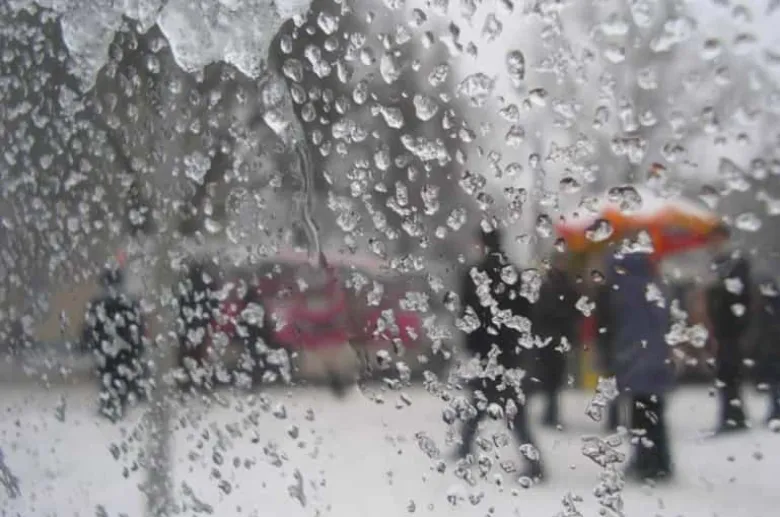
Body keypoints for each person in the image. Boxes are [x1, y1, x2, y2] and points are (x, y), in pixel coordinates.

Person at [457, 225, 543, 481]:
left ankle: (534, 464)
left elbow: (467, 314)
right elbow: (526, 313)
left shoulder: (474, 274)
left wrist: (471, 345)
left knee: (486, 401)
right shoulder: (513, 273)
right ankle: (531, 461)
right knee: (504, 405)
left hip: (485, 350)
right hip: (508, 351)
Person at [602, 251, 673, 481]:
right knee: (654, 415)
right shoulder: (654, 286)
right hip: (656, 359)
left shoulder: (627, 290)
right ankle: (659, 461)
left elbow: (628, 328)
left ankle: (647, 461)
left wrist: (622, 355)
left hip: (637, 359)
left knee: (640, 415)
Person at [82, 265, 146, 421]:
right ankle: (115, 405)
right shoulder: (128, 302)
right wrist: (137, 347)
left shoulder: (100, 304)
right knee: (119, 378)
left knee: (109, 378)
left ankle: (110, 405)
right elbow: (137, 328)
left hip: (108, 350)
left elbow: (91, 327)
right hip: (123, 351)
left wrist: (87, 344)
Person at [705, 226, 752, 433]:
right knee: (725, 373)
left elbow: (739, 298)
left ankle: (733, 416)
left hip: (731, 329)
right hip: (723, 328)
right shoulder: (719, 264)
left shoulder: (734, 264)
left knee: (729, 372)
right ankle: (731, 415)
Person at [532, 254, 580, 427]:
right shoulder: (553, 286)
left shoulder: (563, 286)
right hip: (551, 338)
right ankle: (550, 412)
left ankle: (550, 412)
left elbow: (575, 312)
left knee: (554, 378)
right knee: (550, 378)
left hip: (556, 338)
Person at [752, 276, 780, 425]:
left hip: (773, 350)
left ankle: (776, 410)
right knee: (774, 384)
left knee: (775, 384)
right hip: (770, 350)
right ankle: (776, 409)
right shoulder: (765, 306)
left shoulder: (768, 306)